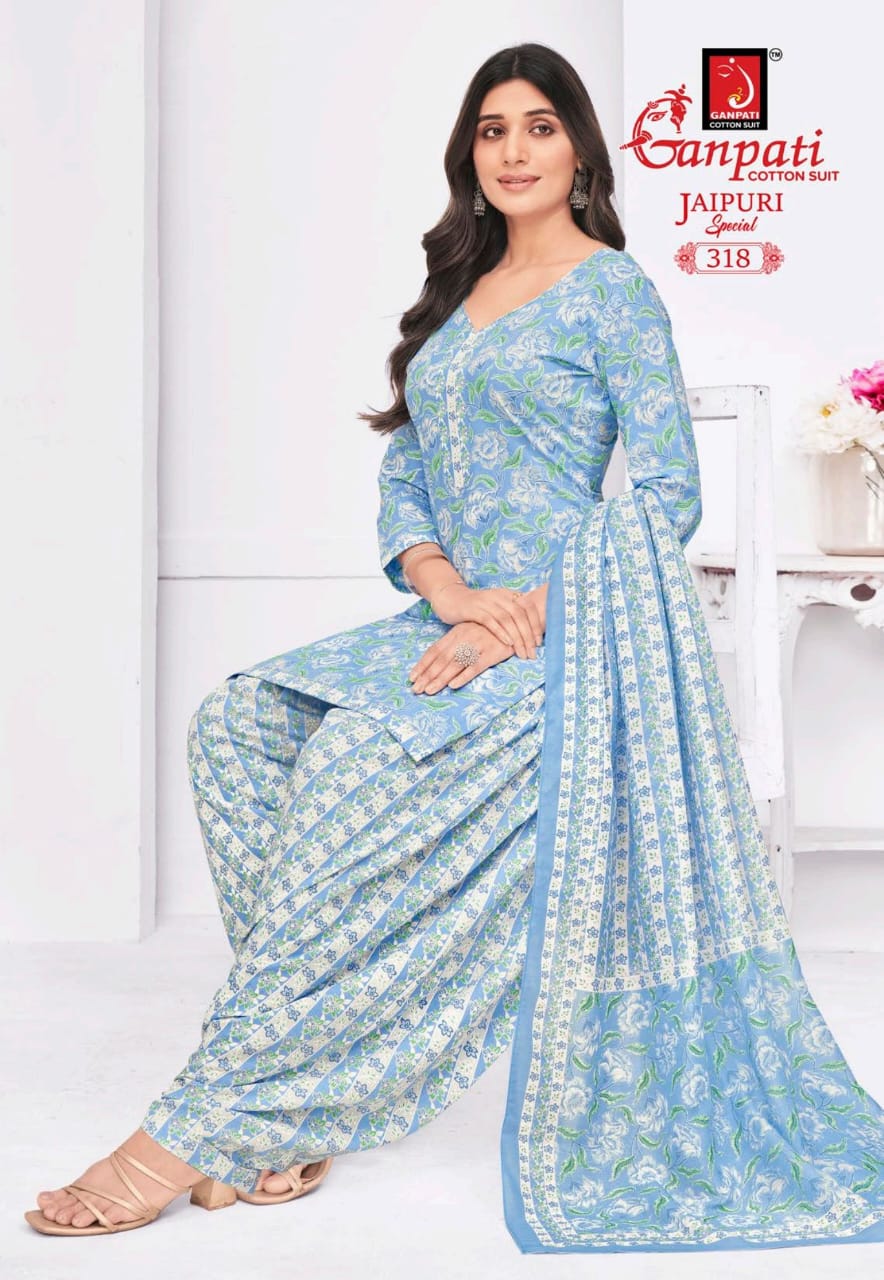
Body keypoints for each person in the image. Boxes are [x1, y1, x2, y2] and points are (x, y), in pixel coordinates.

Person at [26, 42, 884, 1253]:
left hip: (564, 635)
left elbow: (664, 494)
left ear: (579, 151)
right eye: (491, 129)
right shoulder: (454, 295)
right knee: (235, 727)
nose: (514, 150)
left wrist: (525, 609)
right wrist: (449, 592)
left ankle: (196, 1126)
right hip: (448, 613)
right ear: (468, 155)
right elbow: (408, 469)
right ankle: (300, 1093)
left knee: (350, 765)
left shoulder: (609, 291)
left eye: (539, 126)